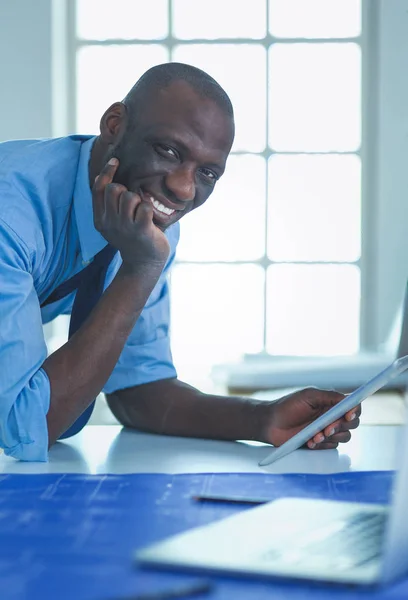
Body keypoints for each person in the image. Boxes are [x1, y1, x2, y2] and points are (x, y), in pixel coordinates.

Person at [0, 62, 360, 461]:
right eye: (169, 151)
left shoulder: (142, 219)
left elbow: (140, 390)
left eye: (207, 173)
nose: (183, 188)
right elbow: (24, 426)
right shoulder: (11, 210)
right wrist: (139, 270)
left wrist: (262, 418)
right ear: (114, 124)